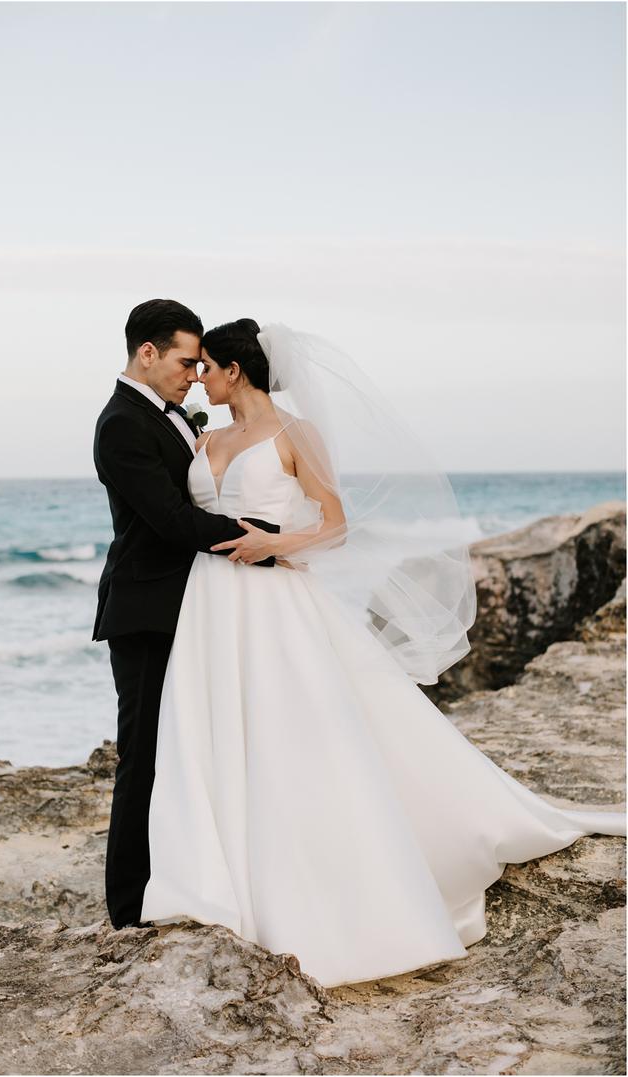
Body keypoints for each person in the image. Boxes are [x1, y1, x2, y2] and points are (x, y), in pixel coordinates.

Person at [137, 317, 626, 987]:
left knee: (295, 738)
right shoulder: (207, 435)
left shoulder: (294, 435)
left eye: (207, 367)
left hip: (273, 597)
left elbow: (335, 524)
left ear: (235, 370)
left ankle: (324, 894)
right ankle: (215, 884)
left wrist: (274, 545)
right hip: (210, 605)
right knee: (211, 734)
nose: (199, 377)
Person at [91, 299, 277, 930]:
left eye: (200, 366)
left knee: (191, 748)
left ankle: (189, 876)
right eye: (185, 362)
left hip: (191, 608)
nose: (195, 376)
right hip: (144, 609)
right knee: (141, 755)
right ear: (148, 353)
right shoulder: (121, 424)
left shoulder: (168, 416)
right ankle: (127, 908)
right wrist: (256, 536)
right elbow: (169, 520)